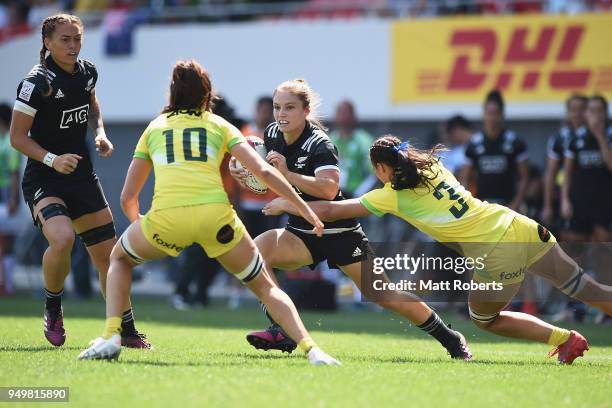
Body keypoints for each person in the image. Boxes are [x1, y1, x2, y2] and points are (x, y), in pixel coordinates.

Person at [77, 59, 339, 366]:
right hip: (217, 220)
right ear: (207, 93)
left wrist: (143, 226)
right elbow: (265, 174)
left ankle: (111, 336)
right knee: (267, 287)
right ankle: (312, 350)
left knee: (119, 259)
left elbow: (127, 197)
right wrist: (304, 208)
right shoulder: (220, 125)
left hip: (166, 219)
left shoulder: (155, 128)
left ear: (172, 91)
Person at [264, 135, 612, 364]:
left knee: (485, 319)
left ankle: (565, 339)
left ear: (382, 169)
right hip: (518, 224)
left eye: (377, 169)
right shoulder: (433, 165)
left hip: (496, 253)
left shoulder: (391, 195)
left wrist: (284, 203)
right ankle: (569, 339)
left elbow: (327, 211)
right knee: (585, 288)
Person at [230, 79, 471, 360]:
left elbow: (329, 189)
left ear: (306, 110)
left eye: (290, 107)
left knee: (384, 295)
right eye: (277, 107)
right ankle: (281, 328)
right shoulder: (272, 133)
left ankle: (451, 338)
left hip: (338, 231)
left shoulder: (320, 144)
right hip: (301, 230)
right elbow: (271, 174)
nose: (281, 114)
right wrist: (250, 176)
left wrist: (288, 176)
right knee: (255, 254)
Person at [9, 14, 149, 348]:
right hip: (44, 176)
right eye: (65, 40)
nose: (73, 46)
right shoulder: (36, 83)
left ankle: (125, 329)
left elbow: (92, 104)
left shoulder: (87, 72)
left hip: (82, 176)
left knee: (110, 256)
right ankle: (53, 306)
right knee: (62, 238)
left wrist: (99, 132)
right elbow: (17, 137)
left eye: (77, 39)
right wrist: (52, 159)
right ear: (47, 42)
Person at [460, 90, 529, 211]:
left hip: (508, 206)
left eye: (495, 113)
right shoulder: (474, 143)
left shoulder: (515, 142)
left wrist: (516, 204)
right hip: (482, 207)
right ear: (483, 114)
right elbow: (465, 178)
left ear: (502, 114)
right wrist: (469, 204)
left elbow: (524, 177)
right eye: (489, 113)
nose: (492, 118)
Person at [542, 94, 587, 231]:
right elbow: (551, 173)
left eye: (582, 109)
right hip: (566, 196)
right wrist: (547, 205)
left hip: (592, 192)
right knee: (571, 237)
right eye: (574, 109)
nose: (578, 114)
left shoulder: (599, 135)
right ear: (568, 112)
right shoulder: (559, 138)